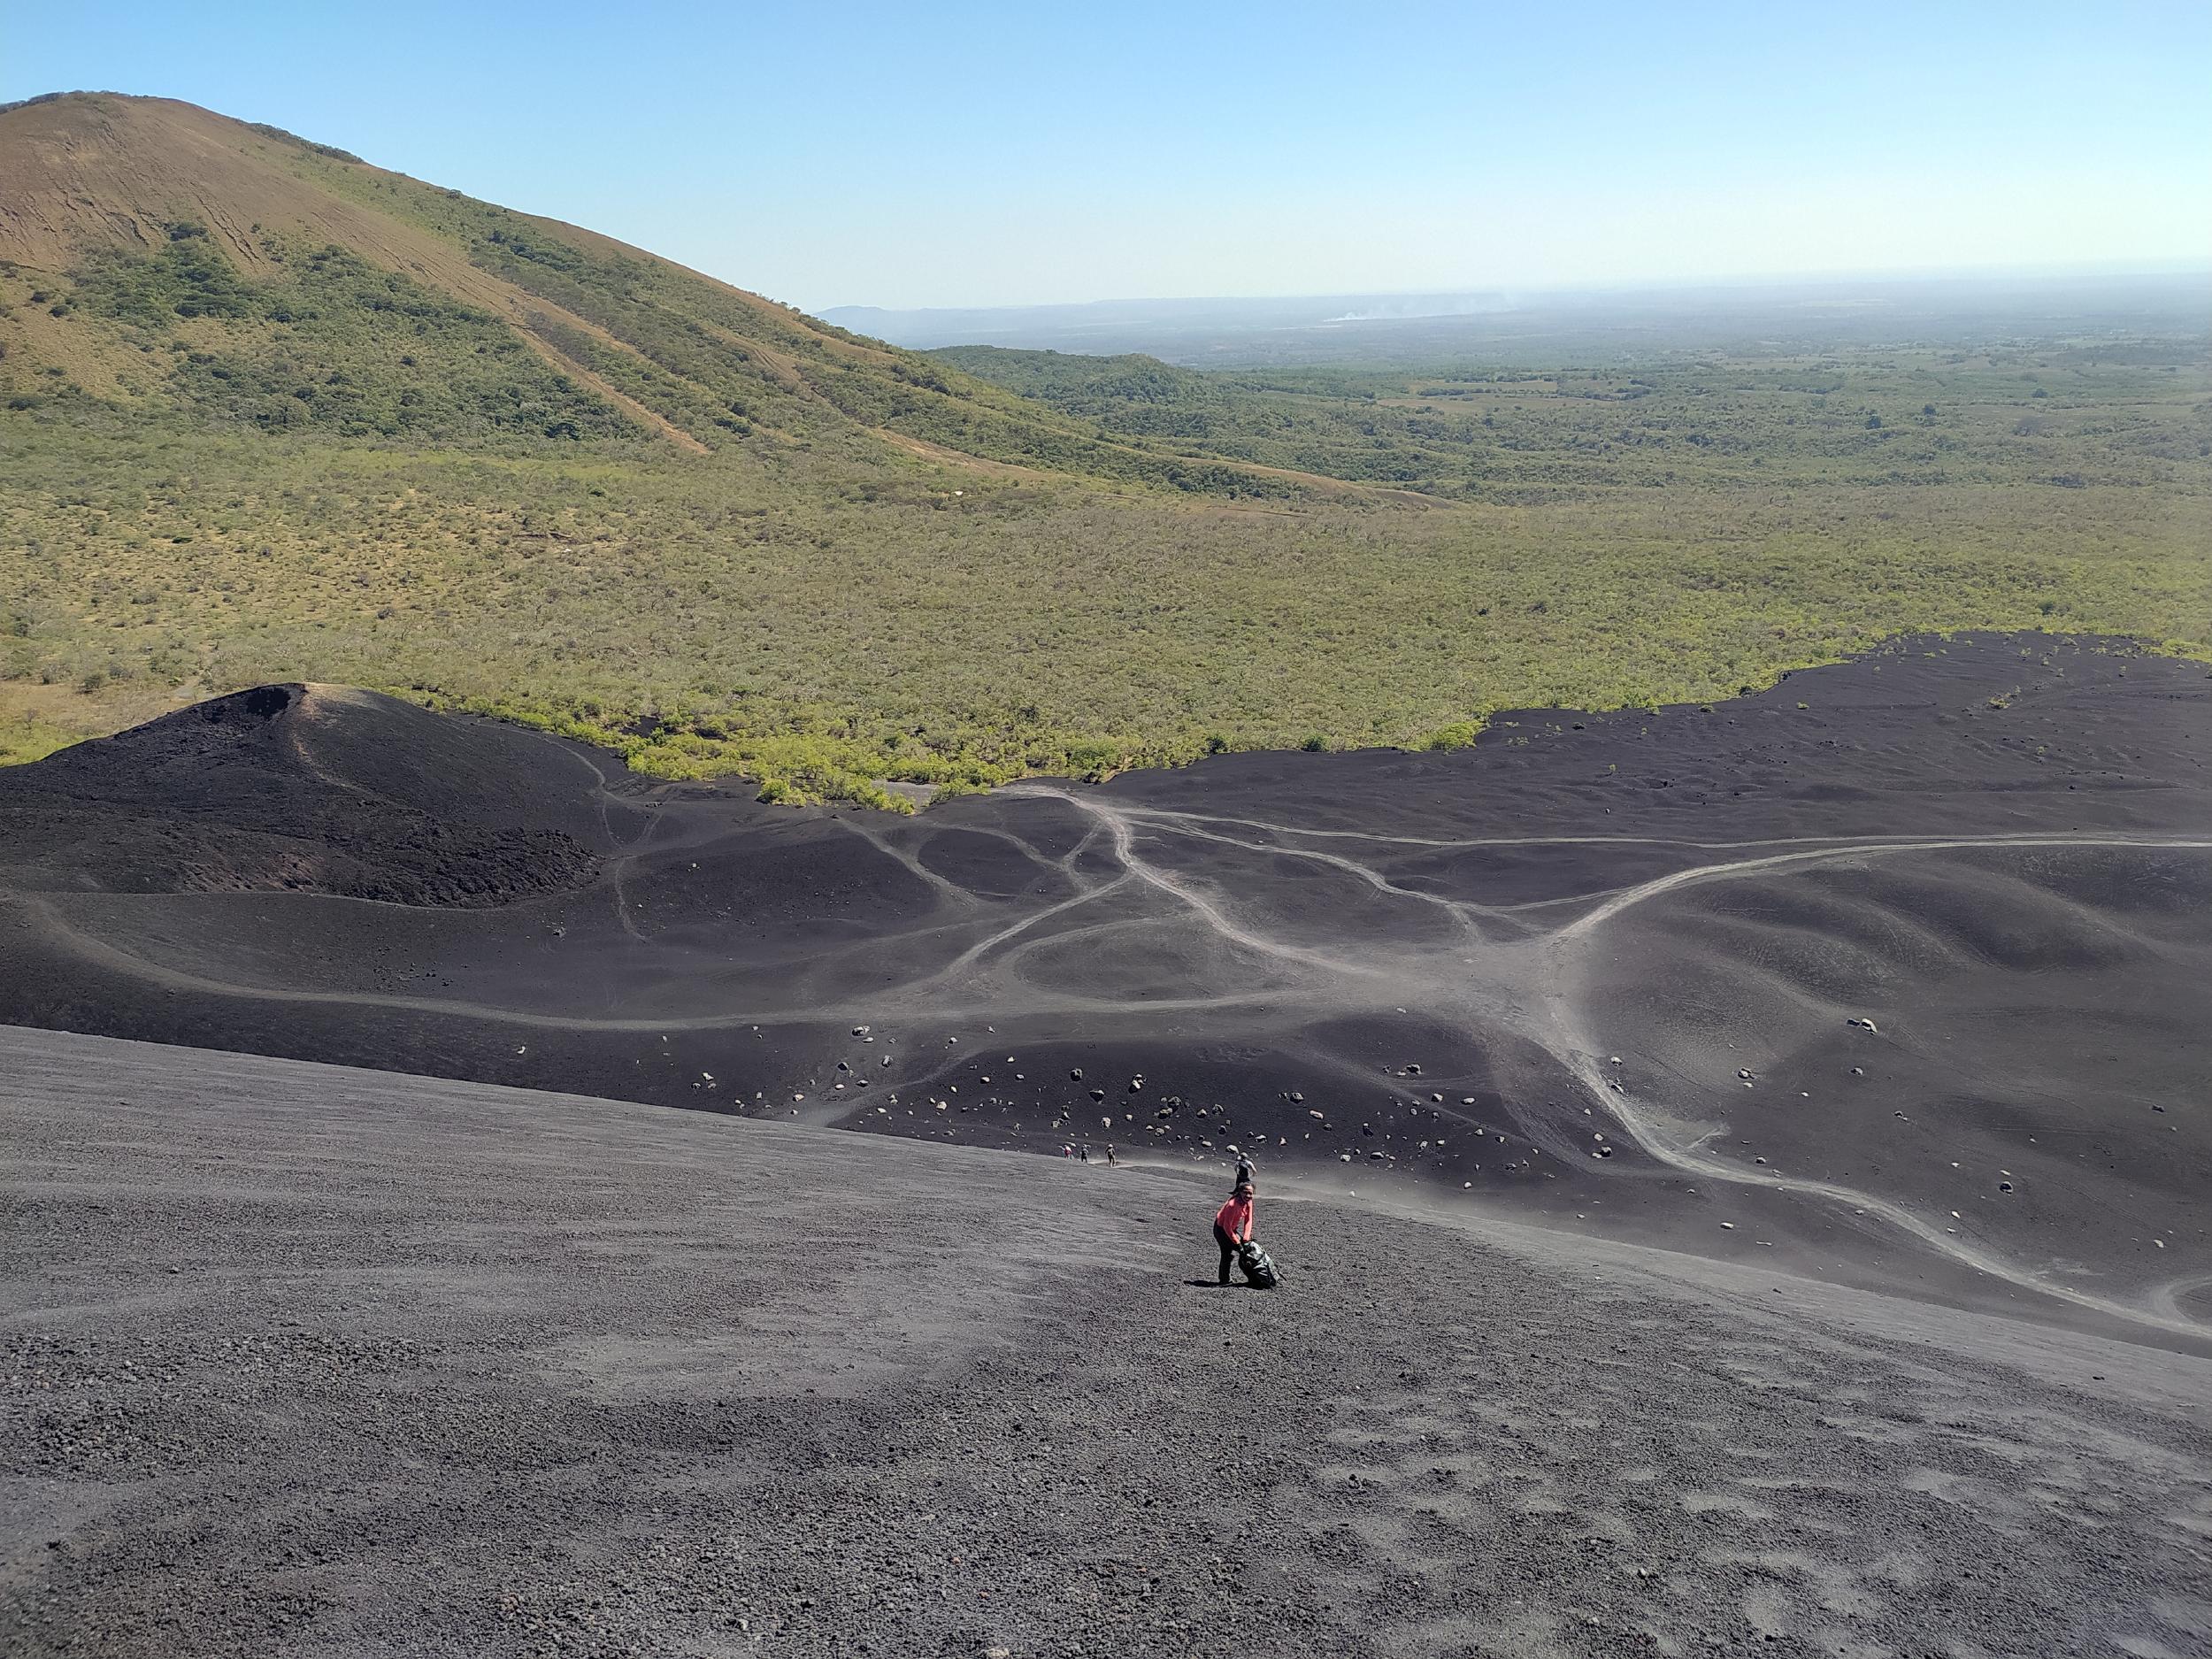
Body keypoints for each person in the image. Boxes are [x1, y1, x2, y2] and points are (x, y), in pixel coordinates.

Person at [1212, 1181, 1256, 1286]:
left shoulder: (1248, 1201)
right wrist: (1237, 1243)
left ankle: (1253, 1278)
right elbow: (1226, 1227)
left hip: (1231, 1228)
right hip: (1221, 1230)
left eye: (1251, 1193)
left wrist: (1246, 1238)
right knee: (1228, 1254)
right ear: (1240, 1192)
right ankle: (1225, 1280)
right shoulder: (1232, 1205)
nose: (1248, 1196)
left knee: (1246, 1249)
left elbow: (1248, 1220)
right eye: (1246, 1193)